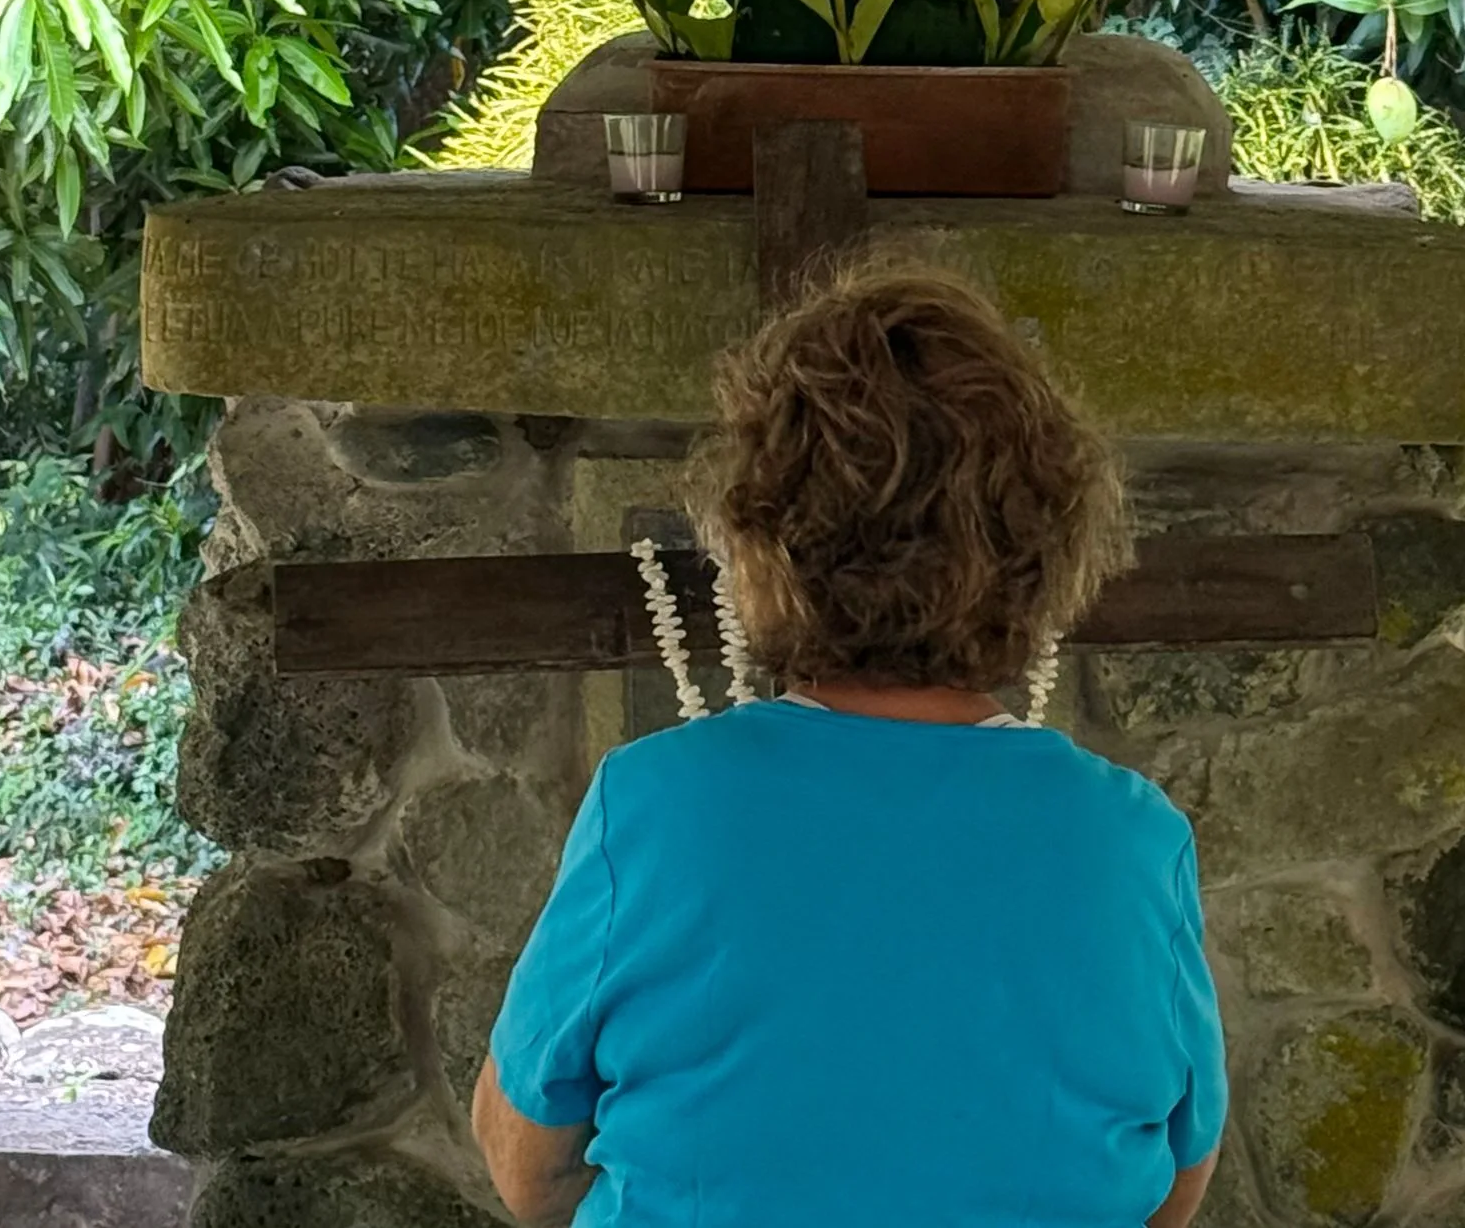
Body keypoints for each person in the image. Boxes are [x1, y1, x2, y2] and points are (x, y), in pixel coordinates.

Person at [473, 264, 1228, 1227]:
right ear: (1045, 544)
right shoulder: (1132, 839)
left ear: (762, 531)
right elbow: (1172, 1187)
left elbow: (523, 1167)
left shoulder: (655, 805)